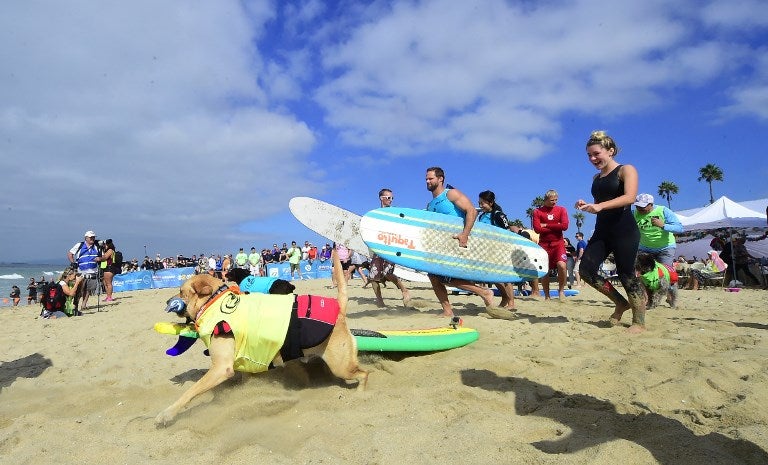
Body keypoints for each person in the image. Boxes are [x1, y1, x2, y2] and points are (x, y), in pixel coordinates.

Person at [575, 130, 647, 333]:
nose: (592, 158)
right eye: (589, 155)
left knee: (627, 275)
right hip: (602, 230)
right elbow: (600, 204)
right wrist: (587, 205)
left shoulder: (626, 170)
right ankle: (620, 302)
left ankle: (639, 322)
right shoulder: (596, 178)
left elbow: (629, 197)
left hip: (624, 230)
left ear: (611, 151)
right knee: (586, 271)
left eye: (596, 153)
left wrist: (600, 206)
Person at [424, 167, 510, 319]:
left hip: (455, 243)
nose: (427, 181)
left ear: (440, 179)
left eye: (430, 178)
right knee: (434, 277)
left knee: (446, 278)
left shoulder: (450, 194)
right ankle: (448, 310)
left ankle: (484, 292)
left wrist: (465, 234)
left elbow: (471, 210)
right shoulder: (430, 205)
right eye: (426, 179)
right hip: (439, 247)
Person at [368, 189, 412, 307]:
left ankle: (404, 290)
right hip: (377, 248)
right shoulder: (375, 214)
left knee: (388, 273)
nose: (390, 200)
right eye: (388, 198)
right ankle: (380, 301)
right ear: (381, 198)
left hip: (390, 247)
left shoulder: (394, 213)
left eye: (392, 198)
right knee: (373, 276)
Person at [477, 190, 516, 310]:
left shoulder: (499, 215)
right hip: (487, 250)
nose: (480, 206)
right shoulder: (482, 216)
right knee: (494, 277)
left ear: (491, 202)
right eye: (479, 203)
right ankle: (504, 298)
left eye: (483, 203)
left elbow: (507, 232)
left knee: (504, 277)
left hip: (500, 250)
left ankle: (511, 303)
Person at [533, 189, 570, 301]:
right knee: (545, 270)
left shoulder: (561, 210)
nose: (554, 202)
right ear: (546, 200)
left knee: (562, 266)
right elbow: (537, 229)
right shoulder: (537, 212)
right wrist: (555, 225)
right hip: (544, 244)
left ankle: (561, 291)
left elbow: (564, 226)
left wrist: (546, 225)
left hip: (558, 243)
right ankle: (547, 295)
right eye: (552, 200)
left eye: (556, 200)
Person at [632, 193, 684, 266]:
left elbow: (680, 229)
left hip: (665, 248)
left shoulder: (663, 210)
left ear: (651, 204)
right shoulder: (633, 213)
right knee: (645, 274)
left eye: (642, 206)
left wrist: (663, 225)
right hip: (644, 249)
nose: (639, 208)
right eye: (637, 206)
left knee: (664, 273)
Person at [67, 230, 101, 311]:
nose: (92, 239)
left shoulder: (97, 246)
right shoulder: (80, 245)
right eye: (91, 237)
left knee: (88, 289)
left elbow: (102, 256)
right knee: (79, 290)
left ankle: (84, 305)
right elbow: (70, 253)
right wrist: (73, 262)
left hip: (93, 271)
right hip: (81, 271)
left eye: (93, 237)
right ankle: (75, 306)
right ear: (86, 238)